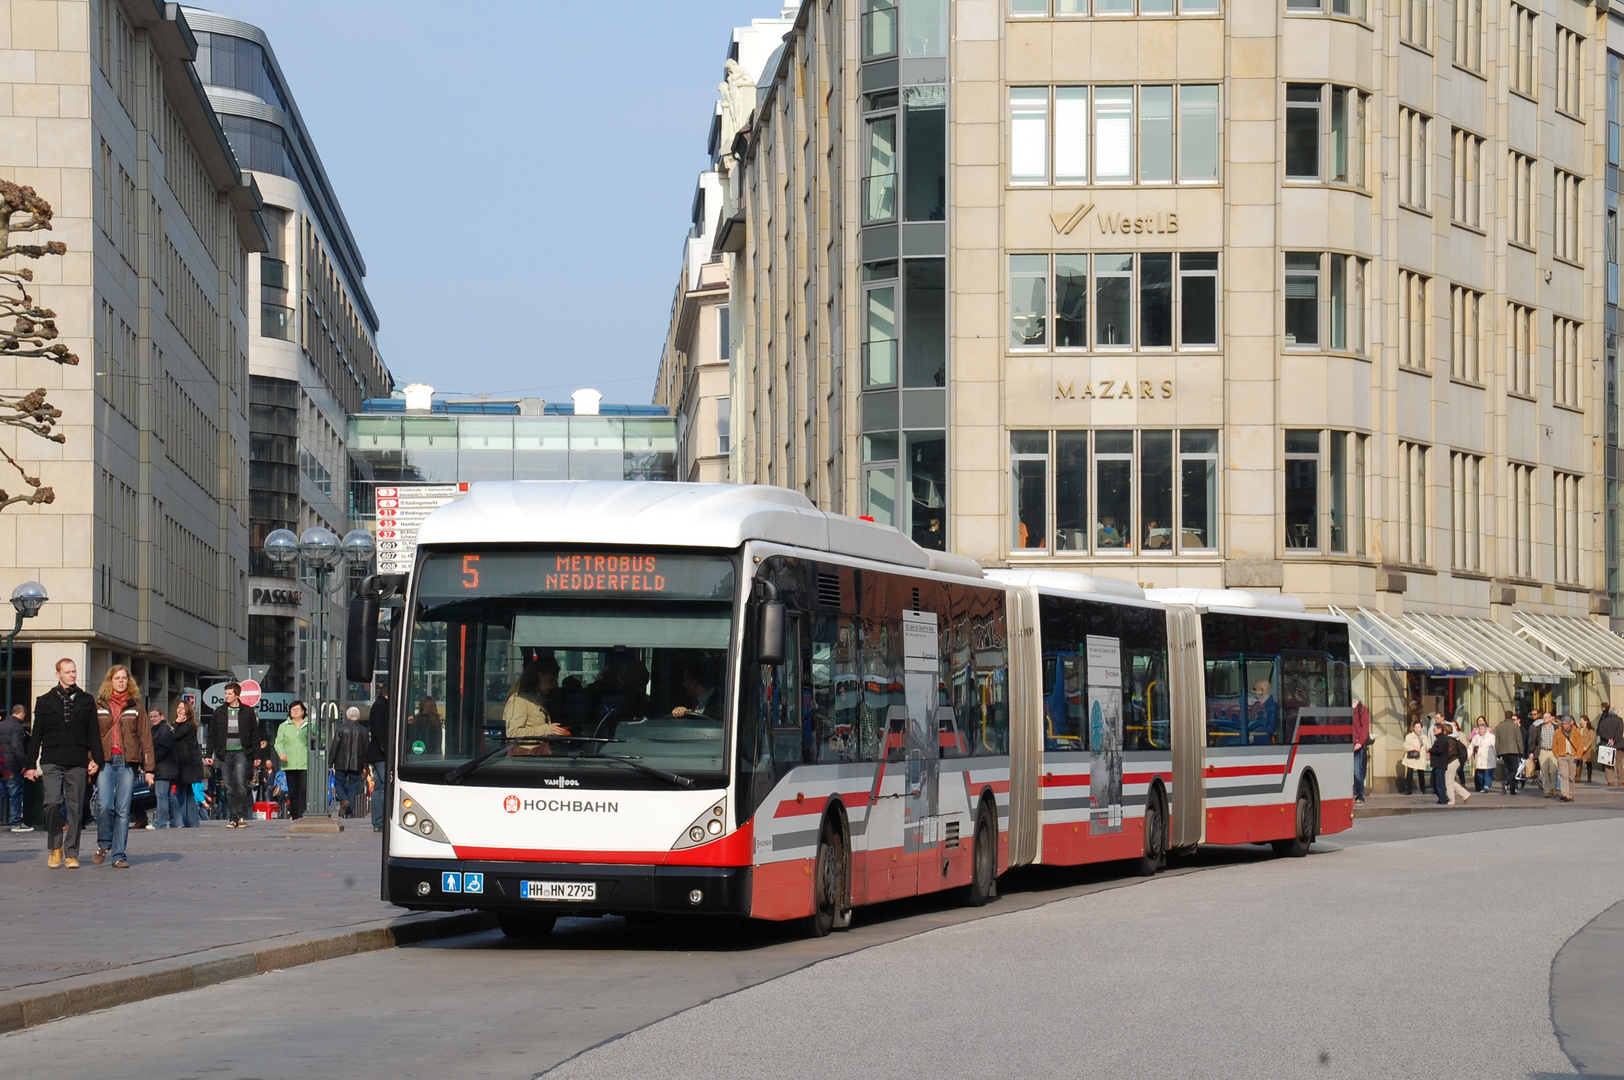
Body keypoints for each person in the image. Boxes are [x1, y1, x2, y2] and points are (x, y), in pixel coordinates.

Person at [23, 658, 101, 868]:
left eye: (74, 671)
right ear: (58, 674)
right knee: (52, 803)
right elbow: (36, 734)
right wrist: (30, 764)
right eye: (67, 672)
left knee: (75, 808)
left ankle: (72, 853)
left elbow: (94, 732)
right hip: (52, 759)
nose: (72, 675)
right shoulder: (45, 701)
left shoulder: (86, 700)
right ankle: (55, 846)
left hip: (77, 760)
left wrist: (97, 759)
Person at [91, 665, 150, 869]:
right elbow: (92, 736)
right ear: (110, 681)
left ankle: (118, 855)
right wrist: (90, 759)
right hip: (105, 761)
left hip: (127, 762)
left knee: (123, 810)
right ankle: (104, 843)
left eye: (124, 678)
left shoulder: (136, 706)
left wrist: (149, 768)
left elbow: (145, 737)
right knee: (105, 806)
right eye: (117, 678)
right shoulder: (99, 705)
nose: (121, 681)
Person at [206, 682, 261, 828]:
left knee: (240, 783)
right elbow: (212, 735)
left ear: (237, 695)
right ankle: (233, 817)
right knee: (229, 786)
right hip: (224, 753)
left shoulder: (247, 712)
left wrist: (257, 755)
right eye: (225, 694)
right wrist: (208, 754)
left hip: (242, 752)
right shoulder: (219, 712)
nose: (226, 696)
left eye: (229, 694)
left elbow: (255, 735)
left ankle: (242, 816)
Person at [504, 657, 564, 755]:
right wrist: (546, 729)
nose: (554, 685)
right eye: (551, 679)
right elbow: (513, 734)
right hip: (523, 760)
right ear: (539, 676)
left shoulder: (537, 699)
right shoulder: (519, 700)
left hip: (537, 756)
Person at [273, 700, 311, 820]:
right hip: (289, 763)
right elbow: (278, 742)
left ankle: (304, 814)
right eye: (292, 709)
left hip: (305, 763)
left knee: (304, 790)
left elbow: (321, 737)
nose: (295, 711)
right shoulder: (283, 726)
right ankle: (296, 816)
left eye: (297, 709)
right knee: (293, 791)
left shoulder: (310, 725)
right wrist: (281, 753)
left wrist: (312, 737)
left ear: (303, 711)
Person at [330, 706, 371, 817]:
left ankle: (343, 799)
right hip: (357, 763)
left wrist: (330, 762)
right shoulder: (364, 731)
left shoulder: (341, 729)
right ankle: (349, 812)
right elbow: (367, 749)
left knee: (339, 782)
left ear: (347, 716)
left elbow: (335, 747)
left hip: (341, 762)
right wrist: (366, 765)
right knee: (353, 787)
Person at [171, 700, 203, 828]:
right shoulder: (188, 725)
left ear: (187, 712)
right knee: (188, 792)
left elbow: (173, 735)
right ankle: (193, 820)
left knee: (181, 791)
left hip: (186, 764)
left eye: (182, 709)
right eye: (178, 707)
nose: (179, 710)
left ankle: (180, 820)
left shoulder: (187, 725)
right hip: (188, 763)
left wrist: (176, 723)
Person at [150, 706, 181, 829]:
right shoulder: (157, 729)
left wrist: (151, 761)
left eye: (155, 716)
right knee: (169, 795)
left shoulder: (163, 729)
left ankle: (160, 822)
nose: (153, 719)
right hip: (166, 767)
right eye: (151, 717)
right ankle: (178, 821)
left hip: (163, 767)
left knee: (161, 795)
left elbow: (164, 748)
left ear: (162, 716)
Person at [0, 702, 27, 830]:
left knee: (1, 793)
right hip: (12, 766)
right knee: (15, 794)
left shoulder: (1, 725)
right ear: (22, 713)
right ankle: (16, 822)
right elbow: (17, 748)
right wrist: (24, 764)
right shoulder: (17, 727)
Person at [368, 687, 390, 832]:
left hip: (377, 754)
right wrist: (386, 749)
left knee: (379, 787)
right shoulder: (381, 708)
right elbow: (380, 731)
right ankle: (379, 821)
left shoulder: (378, 706)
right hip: (380, 754)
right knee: (384, 787)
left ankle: (378, 821)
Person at [1494, 710, 1526, 795]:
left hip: (1503, 751)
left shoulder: (1499, 726)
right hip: (1513, 750)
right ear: (1511, 716)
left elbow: (1497, 740)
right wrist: (1521, 750)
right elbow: (1518, 739)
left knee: (1509, 770)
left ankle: (1512, 789)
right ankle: (1507, 782)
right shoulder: (1515, 726)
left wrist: (1497, 751)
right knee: (1514, 769)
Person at [1552, 715, 1583, 803]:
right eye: (1563, 724)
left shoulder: (1576, 732)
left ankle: (1571, 794)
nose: (1564, 725)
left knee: (1571, 776)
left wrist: (1579, 755)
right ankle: (1565, 794)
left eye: (1566, 724)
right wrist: (1557, 755)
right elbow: (1554, 745)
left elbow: (1580, 745)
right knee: (1564, 775)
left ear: (1570, 723)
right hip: (1562, 755)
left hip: (1573, 755)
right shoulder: (1558, 732)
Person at [1428, 719, 1455, 805]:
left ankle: (1443, 799)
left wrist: (1430, 750)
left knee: (1439, 783)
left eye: (1435, 729)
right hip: (1436, 764)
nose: (1434, 731)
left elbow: (1439, 750)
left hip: (1440, 764)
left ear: (1440, 729)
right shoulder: (1438, 739)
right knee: (1434, 782)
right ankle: (1443, 797)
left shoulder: (1442, 739)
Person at [1598, 702, 1624, 788]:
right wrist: (1614, 740)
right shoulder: (1619, 720)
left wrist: (1608, 739)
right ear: (1616, 713)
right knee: (1619, 763)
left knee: (1608, 763)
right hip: (1618, 744)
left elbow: (1601, 732)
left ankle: (1610, 781)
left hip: (1606, 744)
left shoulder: (1604, 721)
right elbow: (1620, 732)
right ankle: (1621, 781)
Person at [1534, 712, 1560, 797]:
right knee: (1544, 772)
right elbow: (1534, 741)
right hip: (1543, 751)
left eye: (1546, 717)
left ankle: (1554, 787)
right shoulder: (1538, 728)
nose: (1544, 718)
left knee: (1553, 771)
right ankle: (1546, 790)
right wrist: (1532, 752)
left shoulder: (1556, 728)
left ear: (1551, 718)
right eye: (1543, 717)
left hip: (1553, 751)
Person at [1467, 717, 1496, 793]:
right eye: (1479, 729)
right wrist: (1468, 756)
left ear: (1486, 729)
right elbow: (1471, 747)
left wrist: (1498, 756)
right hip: (1479, 759)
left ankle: (1486, 786)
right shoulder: (1475, 737)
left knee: (1487, 772)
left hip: (1488, 758)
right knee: (1480, 774)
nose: (1480, 731)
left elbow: (1495, 747)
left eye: (1482, 729)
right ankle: (1482, 786)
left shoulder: (1491, 737)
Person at [1351, 699, 1371, 805]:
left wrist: (1360, 742)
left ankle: (1359, 795)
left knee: (1357, 771)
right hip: (1346, 743)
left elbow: (1365, 727)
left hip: (1357, 745)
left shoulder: (1361, 710)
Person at [1400, 720, 1428, 796]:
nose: (1416, 728)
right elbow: (1405, 746)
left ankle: (1423, 789)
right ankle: (1409, 790)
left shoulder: (1424, 737)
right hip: (1411, 757)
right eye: (1415, 727)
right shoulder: (1409, 736)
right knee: (1409, 773)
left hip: (1420, 757)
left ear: (1421, 728)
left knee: (1421, 773)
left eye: (1418, 727)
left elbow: (1426, 746)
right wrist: (1413, 748)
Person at [1578, 716, 1597, 784]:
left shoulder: (1591, 730)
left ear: (1586, 721)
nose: (1580, 722)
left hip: (1588, 748)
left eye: (1581, 720)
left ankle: (1589, 777)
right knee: (1579, 762)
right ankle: (1578, 777)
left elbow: (1591, 740)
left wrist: (1586, 747)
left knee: (1588, 763)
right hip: (1580, 748)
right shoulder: (1579, 729)